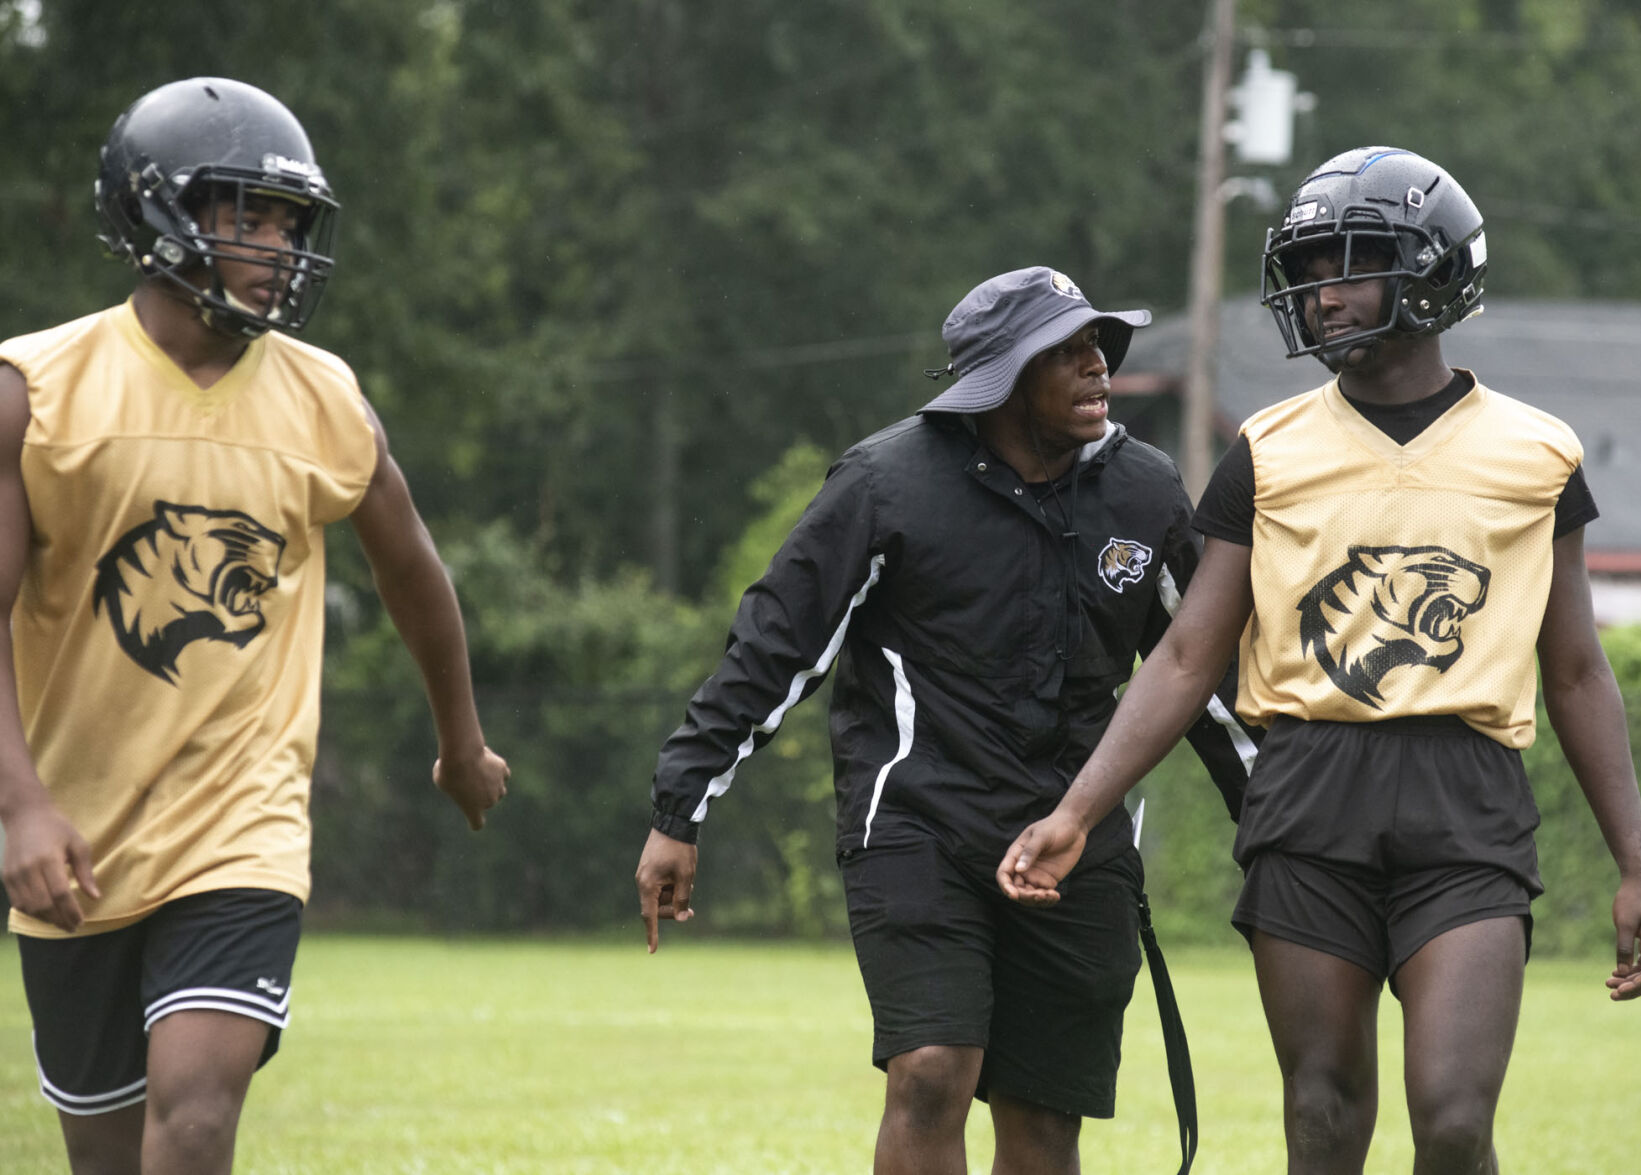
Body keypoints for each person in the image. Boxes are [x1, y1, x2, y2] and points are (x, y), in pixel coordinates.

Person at [998, 147, 1641, 1174]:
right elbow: (1185, 654)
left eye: (1350, 264)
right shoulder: (1264, 449)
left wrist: (1634, 864)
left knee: (1450, 1118)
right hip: (1307, 793)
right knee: (1319, 1113)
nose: (1321, 295)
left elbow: (1576, 670)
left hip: (1465, 799)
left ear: (1434, 269)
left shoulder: (1537, 453)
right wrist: (1075, 811)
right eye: (1309, 268)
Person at [636, 266, 1257, 1174]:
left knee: (1044, 1113)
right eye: (1070, 352)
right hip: (915, 824)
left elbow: (1204, 678)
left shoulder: (1145, 491)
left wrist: (1277, 832)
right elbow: (773, 650)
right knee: (930, 1071)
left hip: (1076, 841)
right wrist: (677, 808)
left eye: (1100, 346)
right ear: (1002, 381)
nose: (1099, 367)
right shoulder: (885, 485)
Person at [0, 77, 510, 1175]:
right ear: (157, 214)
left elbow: (413, 572)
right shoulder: (34, 391)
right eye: (248, 213)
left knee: (194, 1112)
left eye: (290, 221)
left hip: (244, 822)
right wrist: (23, 806)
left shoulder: (325, 396)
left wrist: (459, 740)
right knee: (107, 1153)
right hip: (76, 831)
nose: (279, 243)